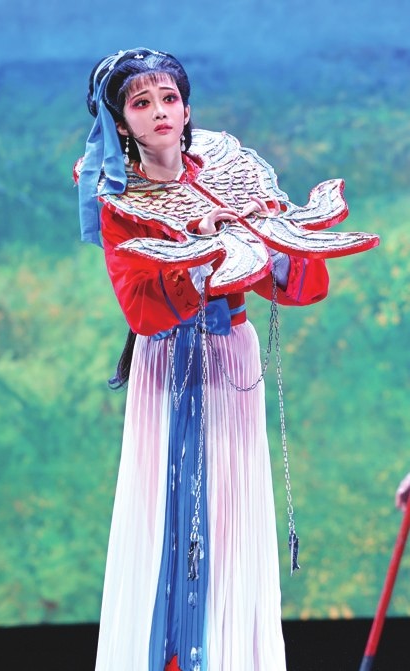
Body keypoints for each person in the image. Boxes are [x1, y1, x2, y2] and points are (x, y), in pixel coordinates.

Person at [75, 47, 378, 671]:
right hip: (167, 364)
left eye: (169, 98)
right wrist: (203, 248)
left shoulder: (229, 171)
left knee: (232, 509)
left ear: (186, 108)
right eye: (141, 103)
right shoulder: (119, 195)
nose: (160, 111)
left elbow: (296, 285)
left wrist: (267, 234)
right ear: (121, 121)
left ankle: (234, 654)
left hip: (231, 358)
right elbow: (141, 308)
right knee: (169, 510)